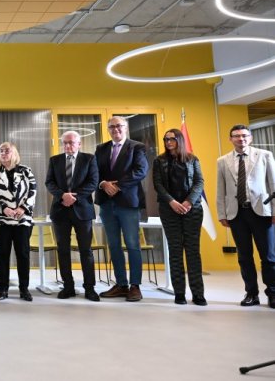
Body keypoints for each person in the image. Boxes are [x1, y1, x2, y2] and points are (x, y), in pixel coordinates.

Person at [217, 124, 275, 308]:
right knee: (244, 256)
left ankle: (273, 293)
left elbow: (273, 184)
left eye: (244, 135)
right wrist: (222, 213)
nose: (240, 139)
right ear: (230, 139)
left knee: (269, 256)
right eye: (236, 136)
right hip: (237, 214)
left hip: (262, 212)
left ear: (250, 138)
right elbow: (221, 189)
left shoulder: (264, 155)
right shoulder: (222, 161)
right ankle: (251, 293)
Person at [95, 116, 148, 302]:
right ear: (108, 129)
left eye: (119, 126)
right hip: (106, 204)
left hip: (128, 203)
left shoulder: (137, 147)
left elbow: (140, 171)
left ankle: (135, 286)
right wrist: (103, 184)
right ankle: (121, 284)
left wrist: (116, 186)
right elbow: (94, 172)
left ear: (126, 127)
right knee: (114, 245)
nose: (115, 129)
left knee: (132, 244)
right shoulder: (101, 149)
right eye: (112, 126)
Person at [45, 131, 100, 302]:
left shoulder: (89, 159)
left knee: (86, 250)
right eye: (65, 143)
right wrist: (63, 196)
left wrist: (74, 197)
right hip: (60, 210)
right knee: (63, 250)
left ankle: (89, 288)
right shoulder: (55, 160)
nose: (68, 145)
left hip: (82, 210)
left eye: (71, 142)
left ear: (79, 144)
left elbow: (93, 182)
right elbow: (49, 182)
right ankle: (68, 286)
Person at [154, 128, 206, 306]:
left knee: (193, 252)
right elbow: (158, 185)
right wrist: (172, 202)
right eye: (166, 139)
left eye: (172, 139)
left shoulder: (192, 159)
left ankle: (198, 294)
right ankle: (179, 293)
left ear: (180, 140)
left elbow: (199, 182)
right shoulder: (159, 160)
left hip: (192, 210)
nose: (168, 142)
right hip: (169, 210)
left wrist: (188, 202)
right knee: (175, 251)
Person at [0, 142, 35, 301]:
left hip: (22, 219)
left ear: (14, 153)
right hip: (1, 220)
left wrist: (23, 208)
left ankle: (24, 289)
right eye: (1, 151)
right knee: (2, 254)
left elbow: (32, 192)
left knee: (23, 254)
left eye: (7, 150)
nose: (3, 153)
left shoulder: (26, 171)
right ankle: (3, 289)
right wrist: (3, 209)